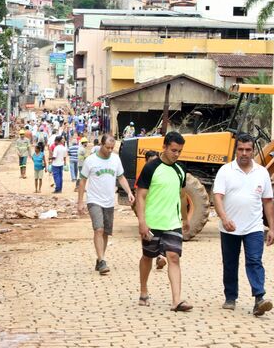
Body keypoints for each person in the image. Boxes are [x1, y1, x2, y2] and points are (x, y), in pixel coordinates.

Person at [213, 133, 274, 316]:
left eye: (248, 150)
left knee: (254, 261)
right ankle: (230, 297)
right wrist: (224, 218)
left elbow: (268, 202)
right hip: (229, 227)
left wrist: (271, 227)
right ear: (236, 150)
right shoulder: (225, 171)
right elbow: (217, 196)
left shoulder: (262, 172)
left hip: (254, 227)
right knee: (230, 263)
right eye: (241, 149)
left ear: (253, 150)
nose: (244, 153)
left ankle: (259, 299)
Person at [135, 131, 192, 312]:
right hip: (152, 223)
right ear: (164, 147)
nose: (176, 154)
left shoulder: (180, 169)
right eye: (174, 150)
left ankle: (176, 300)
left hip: (172, 222)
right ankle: (143, 290)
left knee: (173, 257)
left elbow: (182, 196)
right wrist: (142, 221)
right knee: (148, 257)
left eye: (179, 151)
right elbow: (141, 196)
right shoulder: (151, 168)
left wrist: (185, 218)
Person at [77, 134, 135, 275]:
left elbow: (121, 177)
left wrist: (129, 192)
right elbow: (83, 181)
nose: (109, 150)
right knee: (99, 229)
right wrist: (80, 201)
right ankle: (102, 261)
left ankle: (99, 258)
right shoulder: (91, 161)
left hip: (109, 201)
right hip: (94, 200)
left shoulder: (115, 159)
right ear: (101, 145)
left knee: (106, 232)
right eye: (107, 147)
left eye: (111, 148)